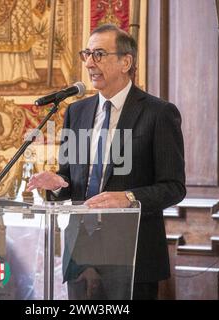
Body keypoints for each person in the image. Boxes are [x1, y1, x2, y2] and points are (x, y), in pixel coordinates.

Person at [27, 24, 186, 300]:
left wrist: (128, 197)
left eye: (99, 54)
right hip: (81, 254)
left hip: (133, 255)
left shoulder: (158, 113)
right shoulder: (77, 112)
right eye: (87, 54)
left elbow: (173, 187)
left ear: (126, 62)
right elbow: (70, 180)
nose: (89, 62)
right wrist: (58, 183)